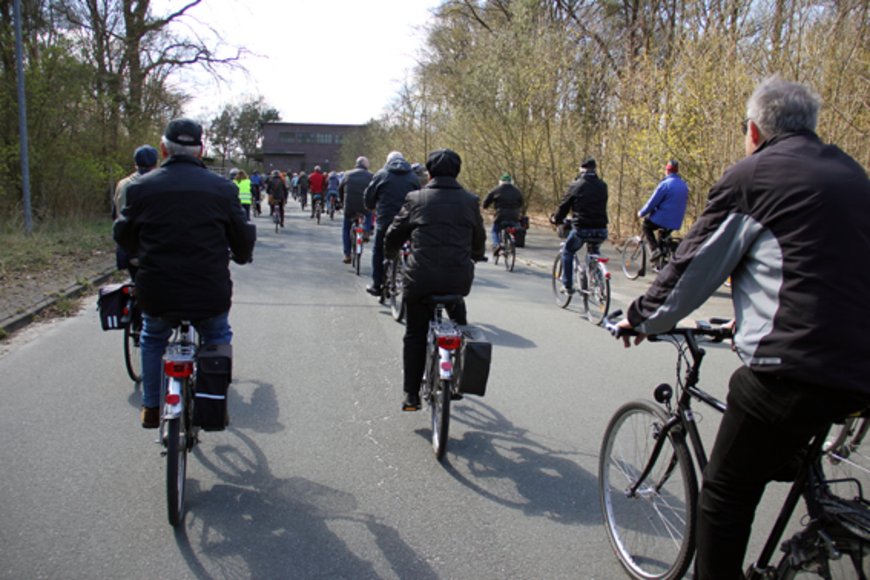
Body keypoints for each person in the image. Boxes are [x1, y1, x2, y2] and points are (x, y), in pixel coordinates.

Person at [614, 77, 870, 579]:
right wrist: (749, 316)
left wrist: (641, 317)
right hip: (858, 362)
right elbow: (819, 268)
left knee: (724, 498)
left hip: (794, 367)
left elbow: (693, 268)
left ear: (754, 130)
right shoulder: (851, 174)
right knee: (779, 441)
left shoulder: (753, 176)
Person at [113, 118, 254, 429]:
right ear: (201, 150)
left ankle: (151, 406)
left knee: (152, 337)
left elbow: (123, 234)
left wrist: (141, 252)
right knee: (216, 335)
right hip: (209, 291)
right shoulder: (223, 189)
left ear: (163, 149)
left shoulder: (141, 188)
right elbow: (242, 237)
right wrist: (242, 256)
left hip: (157, 290)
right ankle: (212, 405)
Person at [384, 148, 486, 411]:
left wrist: (391, 252)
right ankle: (458, 376)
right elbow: (478, 241)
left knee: (415, 334)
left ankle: (411, 395)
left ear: (429, 173)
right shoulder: (470, 200)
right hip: (457, 280)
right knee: (460, 321)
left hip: (420, 280)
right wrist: (475, 254)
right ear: (457, 172)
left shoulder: (416, 198)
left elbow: (394, 234)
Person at [364, 151, 420, 295]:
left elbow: (369, 195)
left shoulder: (381, 174)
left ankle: (377, 284)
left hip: (386, 221)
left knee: (379, 250)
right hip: (408, 221)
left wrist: (370, 206)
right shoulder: (413, 176)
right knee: (413, 248)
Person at [550, 157, 608, 294]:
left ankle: (567, 285)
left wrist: (556, 219)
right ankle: (597, 279)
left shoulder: (576, 185)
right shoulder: (603, 185)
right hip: (601, 229)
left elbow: (563, 207)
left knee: (568, 251)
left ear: (581, 170)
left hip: (582, 228)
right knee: (594, 251)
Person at [113, 144, 159, 279]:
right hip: (151, 249)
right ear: (156, 163)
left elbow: (115, 215)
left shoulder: (122, 184)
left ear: (135, 163)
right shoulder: (158, 185)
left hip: (128, 249)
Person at [638, 160, 688, 262]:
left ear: (667, 170)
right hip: (677, 221)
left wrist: (642, 212)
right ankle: (663, 260)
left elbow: (652, 202)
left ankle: (655, 250)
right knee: (664, 236)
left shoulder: (665, 184)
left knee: (646, 226)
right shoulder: (684, 185)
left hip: (663, 219)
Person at [338, 156, 374, 264]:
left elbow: (340, 188)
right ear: (364, 164)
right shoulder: (371, 175)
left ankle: (347, 254)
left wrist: (341, 201)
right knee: (369, 214)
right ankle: (366, 231)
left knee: (346, 228)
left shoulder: (347, 174)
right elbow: (374, 190)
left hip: (349, 206)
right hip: (364, 205)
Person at [482, 173, 524, 258]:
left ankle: (497, 245)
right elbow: (521, 202)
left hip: (500, 216)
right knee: (514, 227)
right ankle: (511, 242)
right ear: (511, 182)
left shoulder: (496, 190)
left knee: (495, 230)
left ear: (500, 181)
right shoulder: (517, 191)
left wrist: (485, 206)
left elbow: (487, 201)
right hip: (514, 216)